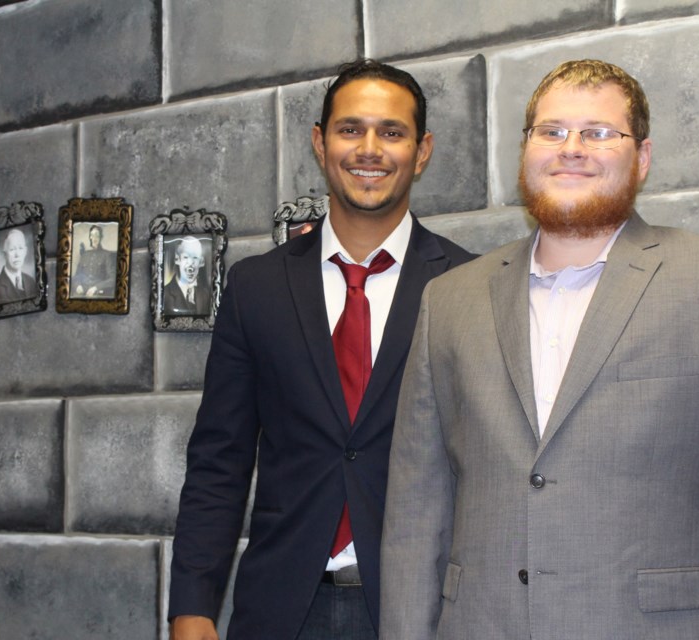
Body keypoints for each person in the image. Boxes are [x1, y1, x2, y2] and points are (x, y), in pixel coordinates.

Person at [381, 59, 699, 639]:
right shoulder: (449, 301)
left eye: (598, 133)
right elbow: (417, 511)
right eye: (552, 131)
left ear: (641, 158)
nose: (572, 148)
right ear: (525, 151)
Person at [168, 59, 475, 640]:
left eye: (392, 132)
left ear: (423, 149)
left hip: (420, 612)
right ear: (319, 141)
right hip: (280, 609)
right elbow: (219, 460)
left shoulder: (469, 285)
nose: (370, 149)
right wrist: (192, 606)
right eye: (350, 129)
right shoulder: (255, 287)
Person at [164, 236, 211, 316]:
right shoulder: (165, 294)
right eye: (186, 257)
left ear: (201, 262)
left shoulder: (205, 295)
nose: (190, 263)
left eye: (195, 257)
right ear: (177, 259)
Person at [71, 224, 116, 298]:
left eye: (97, 235)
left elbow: (113, 279)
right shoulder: (84, 255)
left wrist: (96, 288)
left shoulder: (107, 255)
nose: (94, 238)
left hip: (97, 292)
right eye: (92, 235)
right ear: (90, 237)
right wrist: (77, 285)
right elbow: (77, 276)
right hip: (82, 290)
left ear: (101, 237)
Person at [0, 228, 37, 303]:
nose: (17, 255)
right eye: (12, 249)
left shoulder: (31, 282)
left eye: (20, 248)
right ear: (5, 254)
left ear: (25, 251)